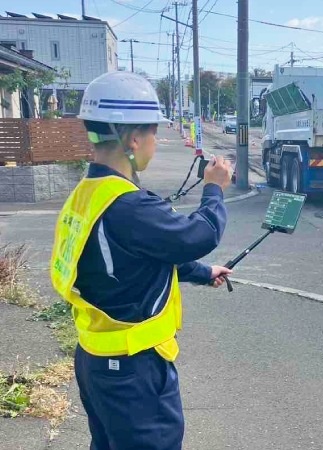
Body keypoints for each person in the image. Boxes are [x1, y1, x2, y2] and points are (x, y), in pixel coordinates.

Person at [50, 71, 233, 450]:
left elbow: (136, 256)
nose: (156, 143)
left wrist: (202, 273)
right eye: (154, 134)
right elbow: (198, 236)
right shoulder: (129, 205)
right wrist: (214, 187)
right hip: (132, 368)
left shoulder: (88, 194)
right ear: (134, 139)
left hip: (97, 360)